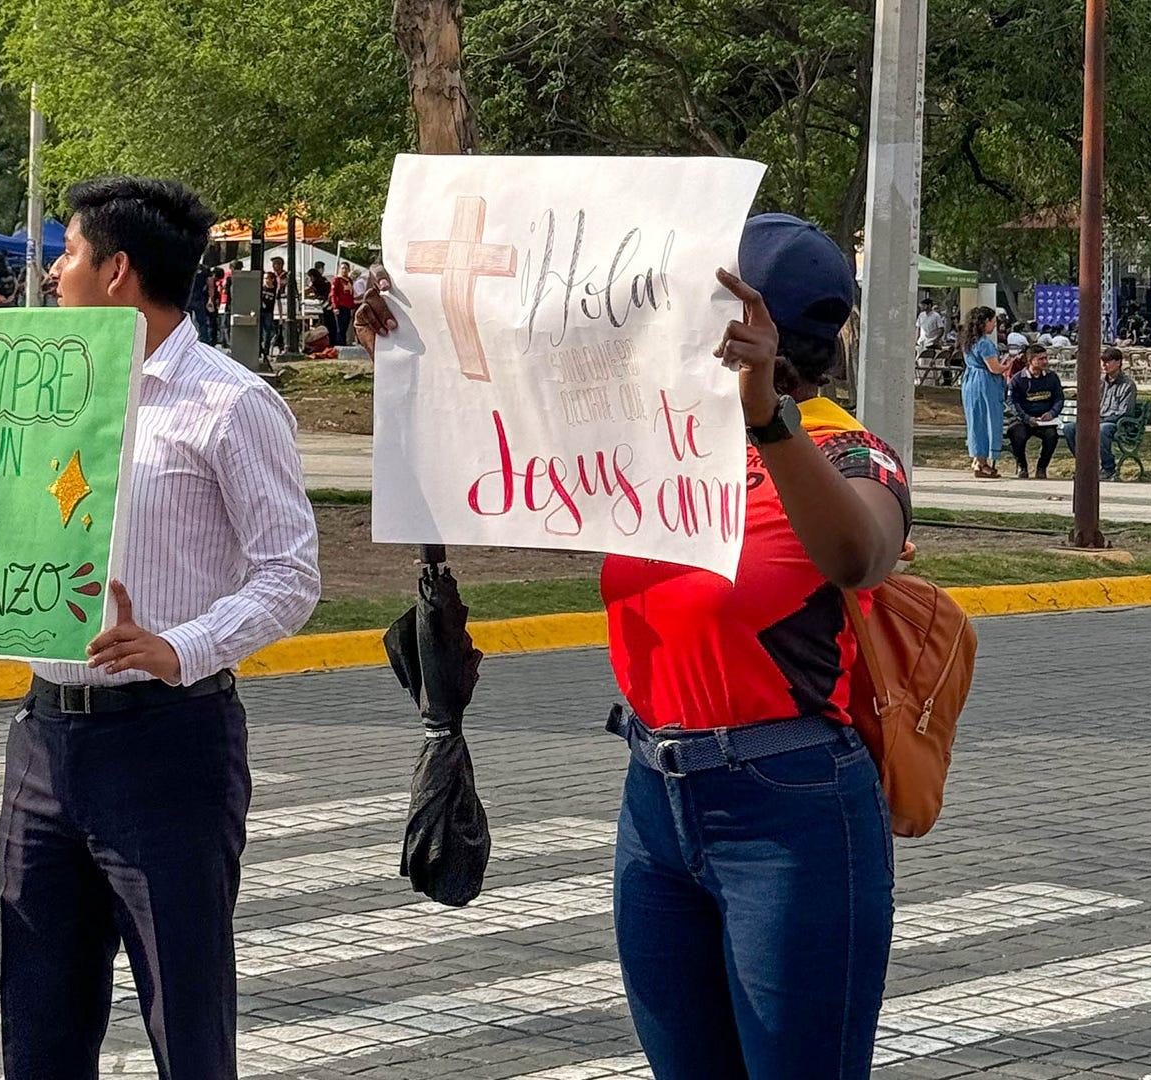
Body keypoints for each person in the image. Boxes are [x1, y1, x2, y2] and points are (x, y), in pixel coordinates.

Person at [357, 213, 905, 1080]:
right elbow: (496, 469)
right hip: (655, 804)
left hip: (790, 809)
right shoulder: (656, 443)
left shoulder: (846, 451)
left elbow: (859, 558)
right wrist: (411, 348)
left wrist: (766, 415)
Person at [3, 175, 320, 1080]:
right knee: (40, 1024)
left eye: (66, 252)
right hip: (45, 741)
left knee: (186, 1019)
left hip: (168, 744)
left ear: (117, 273)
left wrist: (183, 647)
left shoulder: (230, 402)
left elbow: (292, 575)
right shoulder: (45, 389)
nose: (52, 270)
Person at [1063, 347, 1137, 481]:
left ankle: (1108, 468)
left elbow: (1124, 412)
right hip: (1097, 420)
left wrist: (1099, 421)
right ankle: (1085, 465)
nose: (1104, 365)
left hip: (1117, 424)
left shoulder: (1128, 385)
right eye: (1102, 361)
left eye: (1108, 361)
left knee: (1102, 429)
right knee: (1069, 428)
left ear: (1119, 362)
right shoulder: (1099, 382)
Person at [959, 305, 1008, 477]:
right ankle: (982, 461)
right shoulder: (985, 344)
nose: (994, 325)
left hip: (970, 381)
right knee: (987, 420)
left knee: (975, 420)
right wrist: (1008, 365)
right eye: (993, 322)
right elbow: (994, 368)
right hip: (984, 383)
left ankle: (977, 459)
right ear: (984, 322)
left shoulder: (968, 341)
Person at [1007, 343, 1064, 478]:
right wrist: (1026, 418)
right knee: (1016, 434)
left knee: (1051, 436)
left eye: (1046, 358)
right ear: (1030, 361)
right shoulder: (1018, 379)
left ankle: (1041, 468)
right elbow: (1012, 402)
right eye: (1040, 359)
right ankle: (1023, 467)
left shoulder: (1052, 377)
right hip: (1024, 420)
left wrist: (1052, 413)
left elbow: (1059, 398)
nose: (1045, 361)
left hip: (1044, 421)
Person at [329, 264, 357, 348]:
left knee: (345, 326)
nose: (344, 270)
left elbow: (351, 294)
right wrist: (335, 307)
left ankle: (344, 343)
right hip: (340, 306)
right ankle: (339, 345)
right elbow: (333, 294)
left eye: (346, 268)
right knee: (340, 327)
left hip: (348, 306)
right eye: (342, 268)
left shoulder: (349, 280)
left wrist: (352, 306)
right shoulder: (337, 280)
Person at [187, 261, 213, 342]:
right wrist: (210, 299)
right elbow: (210, 285)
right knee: (202, 321)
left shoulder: (188, 267)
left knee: (186, 320)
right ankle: (204, 339)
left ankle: (188, 339)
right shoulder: (205, 270)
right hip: (198, 298)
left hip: (188, 299)